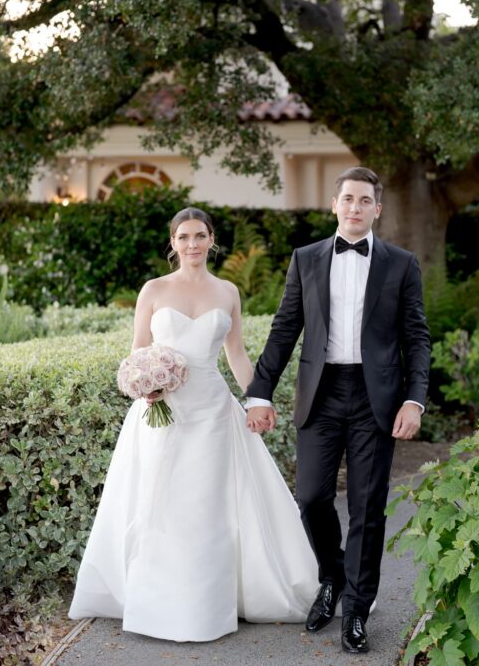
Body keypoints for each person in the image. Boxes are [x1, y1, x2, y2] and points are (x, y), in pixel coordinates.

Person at [68, 207, 318, 642]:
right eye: (184, 237)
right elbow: (138, 352)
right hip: (161, 414)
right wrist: (144, 384)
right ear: (173, 242)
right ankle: (157, 602)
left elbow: (236, 355)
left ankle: (208, 605)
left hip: (213, 413)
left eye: (200, 236)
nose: (192, 244)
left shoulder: (227, 292)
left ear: (211, 240)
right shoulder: (154, 289)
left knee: (206, 505)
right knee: (159, 502)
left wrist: (257, 399)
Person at [245, 167, 431, 655]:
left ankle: (356, 609)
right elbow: (285, 329)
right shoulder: (306, 258)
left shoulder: (401, 263)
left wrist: (415, 399)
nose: (354, 207)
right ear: (334, 205)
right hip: (321, 392)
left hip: (377, 397)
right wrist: (259, 392)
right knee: (310, 497)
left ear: (377, 209)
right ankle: (332, 575)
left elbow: (416, 338)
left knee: (368, 507)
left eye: (364, 200)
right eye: (347, 198)